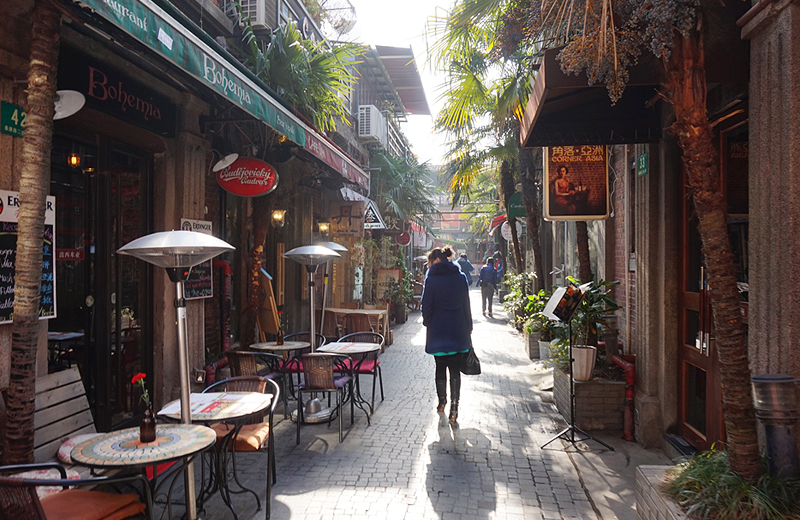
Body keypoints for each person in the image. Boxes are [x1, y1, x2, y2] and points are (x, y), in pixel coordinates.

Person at [421, 247, 472, 423]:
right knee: (455, 370)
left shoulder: (431, 280)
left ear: (435, 261)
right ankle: (455, 407)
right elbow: (467, 305)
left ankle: (442, 402)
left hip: (438, 331)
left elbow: (426, 305)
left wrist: (428, 322)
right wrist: (469, 326)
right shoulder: (461, 278)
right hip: (458, 330)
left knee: (440, 366)